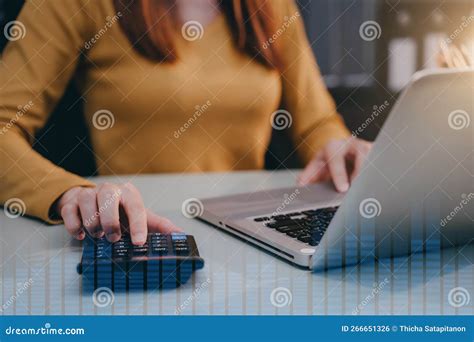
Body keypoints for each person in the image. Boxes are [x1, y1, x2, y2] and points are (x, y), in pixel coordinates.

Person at [0, 0, 372, 245]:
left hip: (252, 235)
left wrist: (337, 146)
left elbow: (316, 122)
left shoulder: (271, 6)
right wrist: (71, 193)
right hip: (140, 237)